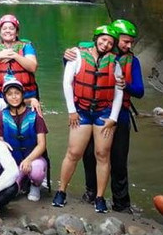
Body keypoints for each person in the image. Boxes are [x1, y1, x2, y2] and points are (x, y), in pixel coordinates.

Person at [53, 24, 123, 214]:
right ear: (96, 38)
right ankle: (61, 191)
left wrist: (113, 118)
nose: (106, 44)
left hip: (103, 113)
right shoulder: (77, 55)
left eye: (110, 42)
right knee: (73, 152)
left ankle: (99, 197)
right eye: (103, 39)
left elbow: (118, 92)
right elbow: (67, 83)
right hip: (81, 112)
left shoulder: (115, 63)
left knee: (102, 154)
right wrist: (71, 111)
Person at [0, 78, 48, 202]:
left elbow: (42, 144)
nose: (14, 97)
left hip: (33, 159)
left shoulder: (35, 115)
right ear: (5, 97)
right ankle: (21, 182)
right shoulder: (1, 116)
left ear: (22, 95)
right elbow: (0, 139)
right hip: (13, 161)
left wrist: (29, 159)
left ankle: (35, 185)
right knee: (11, 192)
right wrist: (1, 143)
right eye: (10, 94)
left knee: (37, 171)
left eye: (17, 93)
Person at [0, 14, 41, 112]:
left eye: (11, 28)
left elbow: (33, 67)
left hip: (27, 94)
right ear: (0, 32)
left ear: (17, 32)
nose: (7, 31)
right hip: (2, 96)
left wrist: (15, 55)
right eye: (4, 28)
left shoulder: (26, 47)